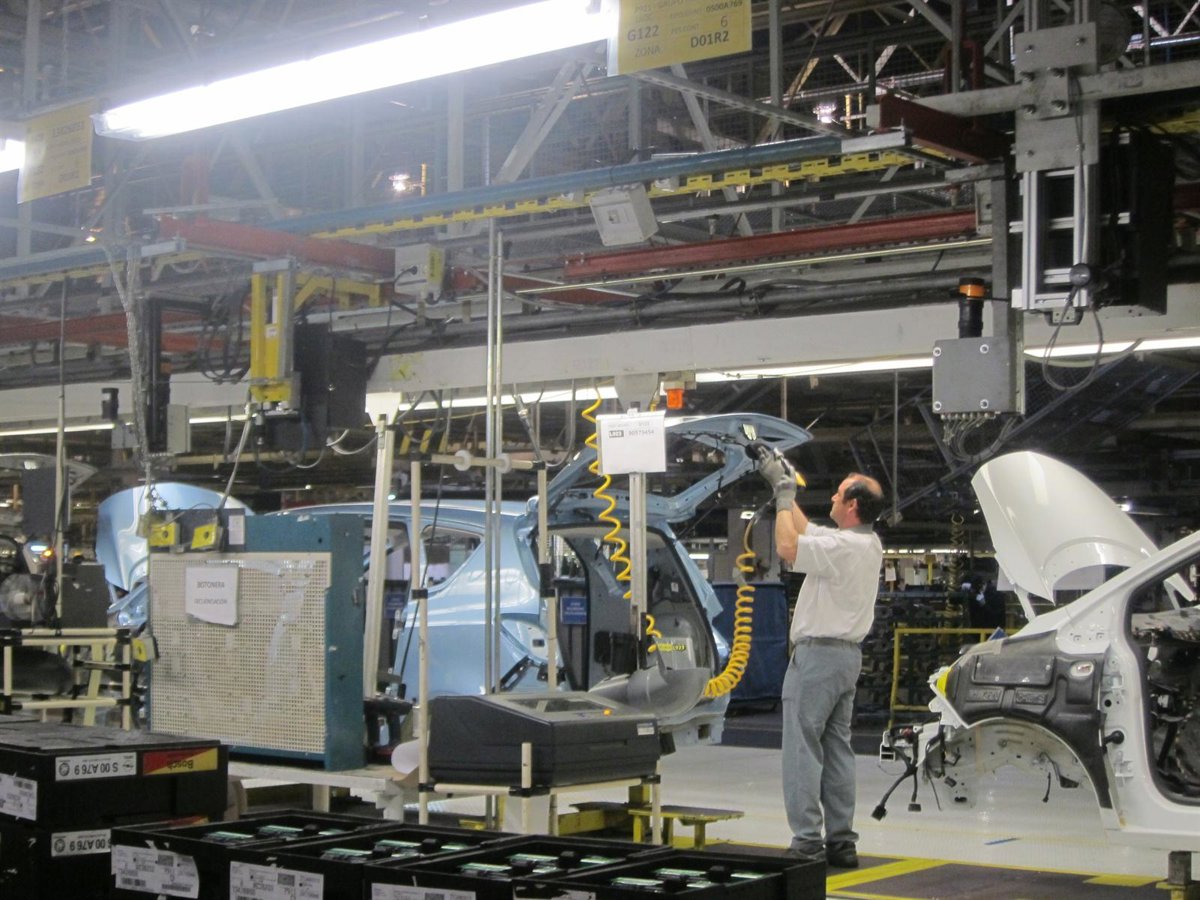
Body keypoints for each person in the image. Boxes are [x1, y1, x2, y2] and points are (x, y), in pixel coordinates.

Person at [757, 450, 885, 869]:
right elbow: (808, 531)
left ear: (852, 505)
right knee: (837, 751)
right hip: (847, 660)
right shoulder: (866, 543)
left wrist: (781, 498)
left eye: (839, 493)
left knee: (802, 749)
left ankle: (807, 840)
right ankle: (841, 842)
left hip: (817, 659)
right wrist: (785, 487)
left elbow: (787, 546)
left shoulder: (842, 546)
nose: (831, 496)